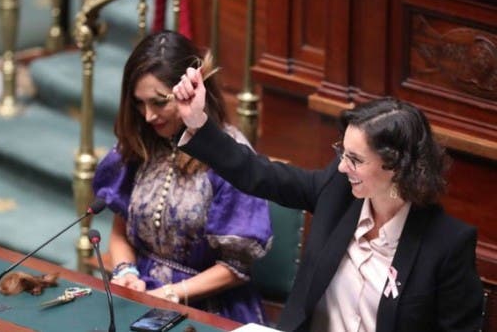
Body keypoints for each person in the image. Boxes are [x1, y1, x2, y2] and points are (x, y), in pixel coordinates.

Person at [172, 68, 483, 331]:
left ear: (397, 167)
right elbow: (261, 174)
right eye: (342, 153)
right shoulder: (338, 191)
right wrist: (198, 122)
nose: (343, 166)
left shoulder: (447, 245)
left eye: (356, 160)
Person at [92, 30, 272, 324]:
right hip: (143, 298)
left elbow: (237, 267)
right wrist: (126, 271)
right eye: (139, 103)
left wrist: (174, 293)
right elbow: (120, 231)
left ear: (191, 92)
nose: (148, 116)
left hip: (210, 308)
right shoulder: (141, 143)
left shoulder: (229, 156)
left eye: (159, 102)